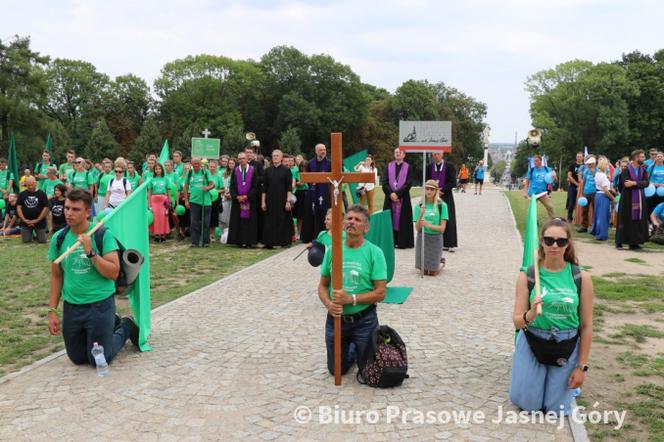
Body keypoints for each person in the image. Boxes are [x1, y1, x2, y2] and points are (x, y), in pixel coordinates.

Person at [510, 218, 594, 415]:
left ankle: (562, 381)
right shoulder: (528, 275)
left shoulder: (581, 278)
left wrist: (581, 367)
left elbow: (587, 326)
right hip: (533, 340)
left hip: (566, 343)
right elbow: (516, 320)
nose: (554, 245)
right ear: (541, 242)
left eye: (560, 241)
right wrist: (530, 314)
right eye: (549, 240)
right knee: (529, 405)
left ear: (568, 244)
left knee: (557, 410)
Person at [47, 188, 139, 367]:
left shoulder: (102, 235)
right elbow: (56, 275)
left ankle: (126, 327)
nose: (69, 213)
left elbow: (113, 272)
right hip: (72, 307)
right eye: (67, 208)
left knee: (98, 360)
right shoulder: (59, 238)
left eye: (75, 209)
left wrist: (91, 253)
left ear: (88, 212)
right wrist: (52, 311)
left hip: (99, 305)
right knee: (77, 358)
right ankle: (114, 322)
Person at [317, 204, 387, 375]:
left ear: (366, 227)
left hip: (364, 320)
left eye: (357, 220)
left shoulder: (374, 253)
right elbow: (323, 285)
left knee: (368, 371)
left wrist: (351, 299)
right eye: (349, 218)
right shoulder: (333, 251)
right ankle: (352, 348)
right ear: (342, 223)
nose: (352, 222)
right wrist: (328, 304)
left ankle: (358, 346)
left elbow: (381, 293)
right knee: (336, 371)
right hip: (336, 319)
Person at [615, 150, 650, 250]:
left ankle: (634, 242)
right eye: (642, 157)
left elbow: (646, 183)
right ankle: (619, 242)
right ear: (636, 158)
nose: (644, 159)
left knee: (637, 220)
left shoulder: (643, 171)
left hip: (639, 198)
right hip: (627, 198)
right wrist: (639, 183)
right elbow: (626, 184)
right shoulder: (626, 170)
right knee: (624, 219)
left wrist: (634, 183)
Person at [414, 180, 448, 275]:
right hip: (423, 238)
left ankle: (441, 263)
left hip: (435, 238)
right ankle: (435, 261)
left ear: (436, 191)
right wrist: (421, 214)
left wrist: (428, 225)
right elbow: (417, 229)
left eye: (432, 189)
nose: (429, 191)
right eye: (427, 189)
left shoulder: (442, 206)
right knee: (423, 271)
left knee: (433, 273)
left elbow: (442, 228)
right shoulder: (419, 206)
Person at [382, 147, 414, 249]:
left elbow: (409, 183)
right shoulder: (389, 166)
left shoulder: (408, 167)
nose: (398, 154)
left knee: (403, 220)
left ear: (404, 155)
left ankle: (402, 242)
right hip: (389, 198)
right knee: (389, 219)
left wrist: (398, 194)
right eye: (396, 152)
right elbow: (384, 182)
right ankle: (390, 241)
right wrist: (391, 194)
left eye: (400, 152)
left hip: (403, 198)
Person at [261, 149, 294, 248]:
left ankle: (282, 242)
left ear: (281, 157)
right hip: (270, 200)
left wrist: (288, 201)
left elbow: (289, 187)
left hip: (282, 200)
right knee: (269, 221)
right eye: (273, 155)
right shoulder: (267, 170)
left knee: (282, 220)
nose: (275, 157)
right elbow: (264, 188)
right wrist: (263, 202)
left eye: (277, 156)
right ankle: (269, 242)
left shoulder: (286, 170)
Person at [426, 152, 458, 251]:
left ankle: (450, 243)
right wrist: (433, 191)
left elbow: (453, 182)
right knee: (433, 217)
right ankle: (434, 242)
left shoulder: (450, 166)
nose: (436, 156)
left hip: (446, 195)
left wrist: (442, 190)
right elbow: (427, 180)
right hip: (432, 196)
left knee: (448, 217)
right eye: (434, 154)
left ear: (442, 154)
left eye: (438, 154)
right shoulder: (429, 167)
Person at [301, 144, 331, 243]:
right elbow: (306, 177)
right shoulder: (310, 163)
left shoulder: (329, 163)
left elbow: (333, 177)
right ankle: (310, 236)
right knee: (311, 212)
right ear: (316, 151)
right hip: (313, 192)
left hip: (324, 192)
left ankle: (324, 235)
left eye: (324, 150)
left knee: (323, 212)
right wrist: (311, 182)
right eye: (321, 150)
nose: (323, 152)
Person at [228, 152, 259, 247]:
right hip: (238, 201)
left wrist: (247, 196)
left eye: (243, 158)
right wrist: (236, 196)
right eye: (240, 159)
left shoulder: (253, 170)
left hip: (250, 201)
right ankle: (239, 241)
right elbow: (232, 186)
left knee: (249, 222)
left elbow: (256, 186)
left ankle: (249, 241)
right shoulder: (235, 170)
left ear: (247, 159)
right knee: (238, 221)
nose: (241, 160)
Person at [183, 158, 214, 247]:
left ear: (200, 164)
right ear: (192, 164)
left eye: (197, 163)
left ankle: (205, 242)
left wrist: (207, 188)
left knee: (206, 222)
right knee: (193, 223)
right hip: (193, 201)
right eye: (194, 163)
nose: (196, 165)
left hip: (206, 202)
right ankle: (195, 242)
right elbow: (185, 187)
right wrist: (186, 200)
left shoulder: (205, 172)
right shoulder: (189, 173)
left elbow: (212, 184)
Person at [589, 157, 617, 241]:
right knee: (603, 216)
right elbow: (605, 190)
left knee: (598, 215)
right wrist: (613, 198)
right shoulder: (603, 176)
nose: (608, 166)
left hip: (598, 195)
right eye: (607, 165)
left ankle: (597, 231)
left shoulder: (598, 174)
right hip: (603, 196)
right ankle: (602, 235)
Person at [17, 177, 49, 243]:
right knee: (26, 241)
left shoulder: (42, 194)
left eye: (32, 185)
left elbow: (46, 208)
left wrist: (37, 220)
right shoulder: (22, 194)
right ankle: (31, 234)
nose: (30, 187)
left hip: (40, 221)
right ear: (26, 184)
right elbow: (18, 207)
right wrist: (24, 219)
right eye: (28, 185)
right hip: (25, 221)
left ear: (36, 183)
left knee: (42, 241)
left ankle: (37, 235)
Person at [523, 154, 556, 219]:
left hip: (543, 193)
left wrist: (554, 176)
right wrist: (525, 192)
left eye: (536, 161)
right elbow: (527, 182)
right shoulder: (531, 170)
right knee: (532, 209)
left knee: (550, 207)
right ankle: (534, 222)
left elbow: (554, 177)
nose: (535, 162)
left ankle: (553, 221)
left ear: (540, 161)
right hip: (533, 193)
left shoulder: (547, 169)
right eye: (534, 161)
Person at [147, 163, 171, 242]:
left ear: (162, 169)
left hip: (163, 200)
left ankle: (163, 235)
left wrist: (169, 202)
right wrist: (149, 203)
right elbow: (149, 191)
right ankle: (156, 235)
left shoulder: (166, 179)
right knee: (156, 218)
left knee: (163, 217)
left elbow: (168, 191)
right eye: (156, 169)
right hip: (154, 200)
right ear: (154, 170)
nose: (158, 170)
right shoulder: (151, 179)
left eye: (159, 169)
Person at [577, 156, 597, 233]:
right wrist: (583, 192)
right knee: (584, 210)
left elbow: (599, 180)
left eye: (590, 164)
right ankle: (584, 226)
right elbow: (584, 181)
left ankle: (595, 226)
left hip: (595, 192)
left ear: (594, 164)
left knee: (595, 210)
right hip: (586, 192)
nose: (588, 166)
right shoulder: (586, 171)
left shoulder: (598, 170)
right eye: (588, 164)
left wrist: (594, 172)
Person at [207, 160, 224, 242]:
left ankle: (212, 234)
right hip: (206, 198)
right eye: (211, 167)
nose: (212, 168)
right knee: (205, 216)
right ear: (208, 167)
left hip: (215, 200)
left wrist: (215, 192)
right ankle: (205, 234)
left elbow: (223, 189)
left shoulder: (218, 176)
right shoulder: (205, 176)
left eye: (214, 167)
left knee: (213, 216)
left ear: (216, 167)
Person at [566, 152, 584, 222]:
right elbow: (569, 176)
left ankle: (579, 218)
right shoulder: (572, 165)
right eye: (577, 156)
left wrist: (581, 185)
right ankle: (569, 218)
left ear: (582, 157)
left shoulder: (585, 166)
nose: (578, 158)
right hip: (572, 187)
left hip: (582, 187)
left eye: (580, 156)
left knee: (580, 204)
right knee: (571, 203)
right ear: (576, 157)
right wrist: (577, 184)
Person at [220, 158, 236, 234]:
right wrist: (225, 193)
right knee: (223, 215)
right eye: (230, 163)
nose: (231, 165)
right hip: (225, 196)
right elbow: (223, 185)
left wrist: (232, 194)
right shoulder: (224, 173)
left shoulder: (237, 172)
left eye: (233, 163)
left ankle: (231, 232)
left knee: (231, 215)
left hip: (233, 196)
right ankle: (222, 232)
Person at [646, 151, 664, 217]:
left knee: (661, 205)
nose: (659, 158)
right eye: (658, 156)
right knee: (650, 205)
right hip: (652, 189)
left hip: (663, 189)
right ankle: (650, 222)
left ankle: (660, 222)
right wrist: (652, 183)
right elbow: (646, 178)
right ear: (655, 158)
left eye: (661, 156)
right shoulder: (651, 167)